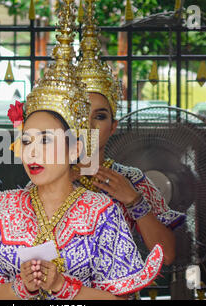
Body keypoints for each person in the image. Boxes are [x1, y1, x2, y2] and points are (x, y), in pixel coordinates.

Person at [0, 0, 164, 300]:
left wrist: (64, 287)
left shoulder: (103, 214)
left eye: (46, 140)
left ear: (75, 147)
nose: (32, 153)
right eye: (27, 141)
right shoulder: (2, 208)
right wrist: (21, 288)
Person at [73, 0, 186, 266]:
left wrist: (133, 200)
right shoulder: (50, 175)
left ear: (113, 126)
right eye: (79, 116)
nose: (88, 125)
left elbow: (167, 255)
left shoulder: (132, 180)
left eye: (99, 116)